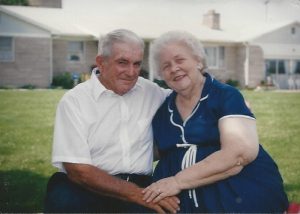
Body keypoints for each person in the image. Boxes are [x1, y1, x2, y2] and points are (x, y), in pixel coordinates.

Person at [142, 30, 289, 213]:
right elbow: (149, 150)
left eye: (180, 60)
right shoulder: (163, 109)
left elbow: (239, 154)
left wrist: (177, 181)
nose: (174, 68)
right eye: (166, 66)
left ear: (198, 61)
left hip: (237, 193)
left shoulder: (225, 96)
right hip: (180, 204)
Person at [44, 29, 180, 213]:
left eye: (137, 64)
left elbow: (190, 97)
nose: (131, 72)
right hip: (82, 186)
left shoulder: (151, 92)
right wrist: (137, 195)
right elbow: (78, 170)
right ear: (101, 62)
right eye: (122, 62)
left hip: (139, 184)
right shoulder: (75, 100)